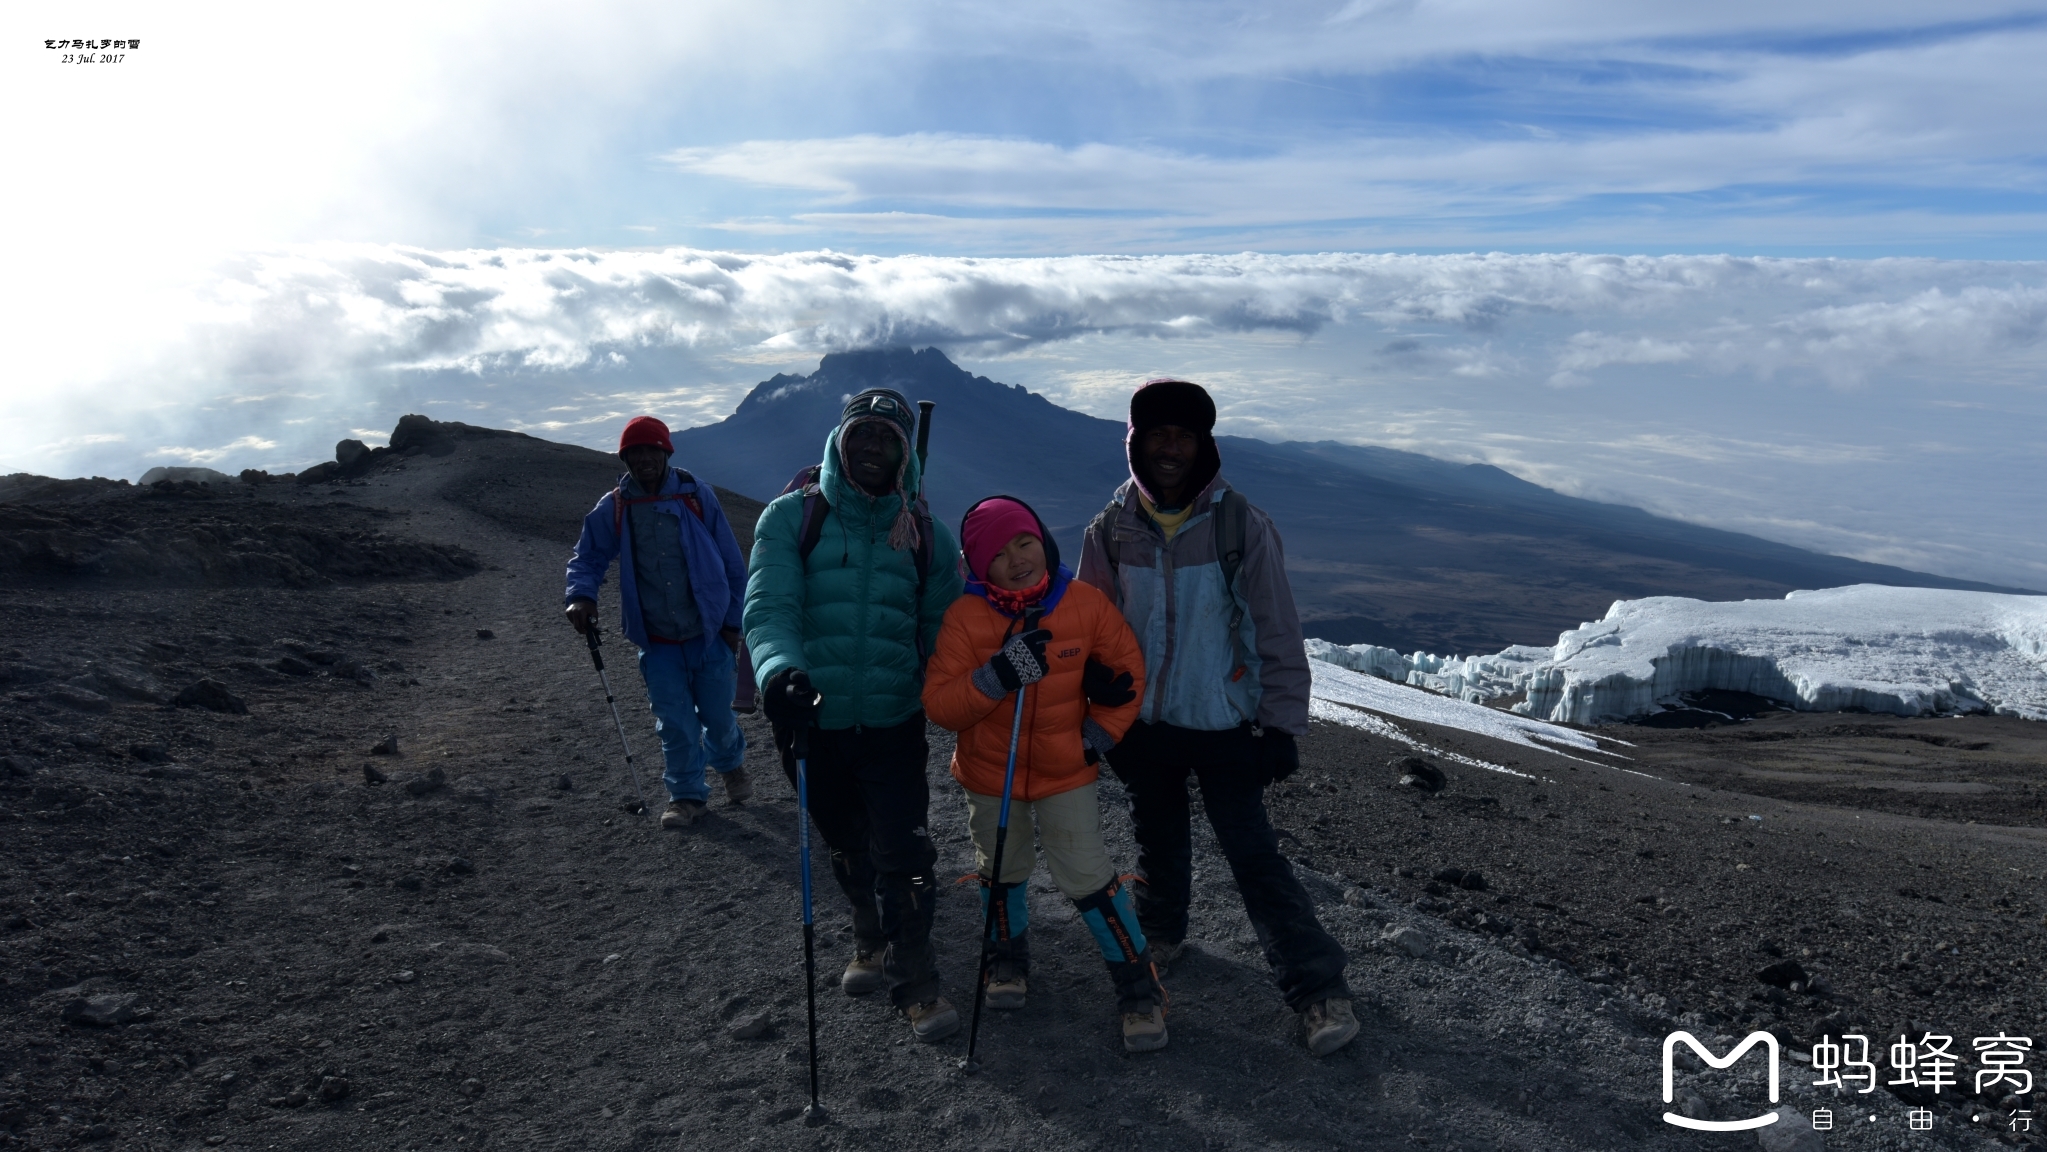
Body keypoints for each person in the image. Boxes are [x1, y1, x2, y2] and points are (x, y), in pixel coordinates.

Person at [1077, 378, 1360, 1057]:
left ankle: (1317, 988)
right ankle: (1163, 933)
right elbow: (1086, 633)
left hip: (1227, 723)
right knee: (1157, 837)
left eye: (1184, 435)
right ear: (1135, 442)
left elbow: (1275, 632)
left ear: (1204, 445)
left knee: (1252, 856)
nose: (1170, 448)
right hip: (1145, 724)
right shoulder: (1110, 529)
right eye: (1157, 434)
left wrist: (1281, 726)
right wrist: (1094, 717)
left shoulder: (1239, 525)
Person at [743, 388, 967, 1041]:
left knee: (904, 851)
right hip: (809, 721)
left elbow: (944, 632)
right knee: (846, 841)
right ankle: (868, 933)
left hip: (893, 722)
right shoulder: (790, 519)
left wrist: (973, 690)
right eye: (861, 434)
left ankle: (915, 981)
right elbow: (768, 609)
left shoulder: (926, 535)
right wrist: (778, 671)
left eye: (887, 437)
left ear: (905, 452)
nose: (872, 447)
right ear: (839, 444)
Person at [923, 496, 1165, 1052]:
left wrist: (1098, 734)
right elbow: (940, 705)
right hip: (991, 773)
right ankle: (1007, 962)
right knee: (1000, 867)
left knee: (1087, 876)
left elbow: (1126, 671)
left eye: (1024, 542)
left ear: (1043, 542)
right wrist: (997, 676)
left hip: (1066, 771)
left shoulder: (1083, 604)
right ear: (978, 566)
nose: (1016, 559)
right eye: (998, 553)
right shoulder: (966, 616)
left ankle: (1138, 989)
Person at [564, 416, 751, 828]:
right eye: (636, 453)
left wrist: (732, 622)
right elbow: (589, 555)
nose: (645, 459)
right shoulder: (616, 505)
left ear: (666, 453)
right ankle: (686, 796)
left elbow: (732, 562)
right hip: (658, 639)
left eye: (653, 451)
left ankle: (730, 763)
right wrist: (580, 595)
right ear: (625, 457)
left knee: (719, 717)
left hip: (709, 633)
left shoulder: (696, 496)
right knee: (675, 722)